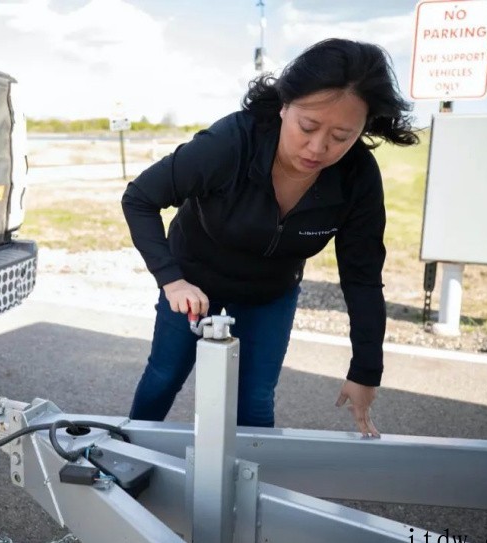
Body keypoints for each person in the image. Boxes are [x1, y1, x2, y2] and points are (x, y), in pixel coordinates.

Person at [122, 38, 419, 437]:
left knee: (256, 401)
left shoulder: (358, 178)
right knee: (163, 378)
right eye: (308, 127)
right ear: (284, 105)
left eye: (342, 135)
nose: (318, 148)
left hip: (270, 294)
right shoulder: (232, 142)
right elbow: (140, 198)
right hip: (193, 283)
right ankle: (124, 458)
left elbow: (362, 278)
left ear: (363, 128)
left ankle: (249, 489)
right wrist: (171, 279)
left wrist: (366, 371)